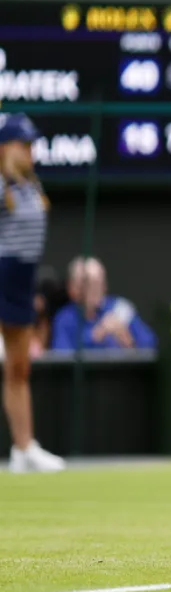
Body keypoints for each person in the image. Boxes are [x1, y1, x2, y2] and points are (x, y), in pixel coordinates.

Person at [0, 114, 65, 473]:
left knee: (19, 369)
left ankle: (23, 448)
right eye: (23, 144)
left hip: (21, 283)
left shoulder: (30, 185)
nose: (30, 151)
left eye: (32, 145)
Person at [49, 257, 158, 352]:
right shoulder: (65, 318)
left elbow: (150, 344)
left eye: (100, 283)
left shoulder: (120, 308)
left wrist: (127, 337)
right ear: (73, 289)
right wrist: (96, 335)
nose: (96, 290)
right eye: (89, 284)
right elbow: (62, 358)